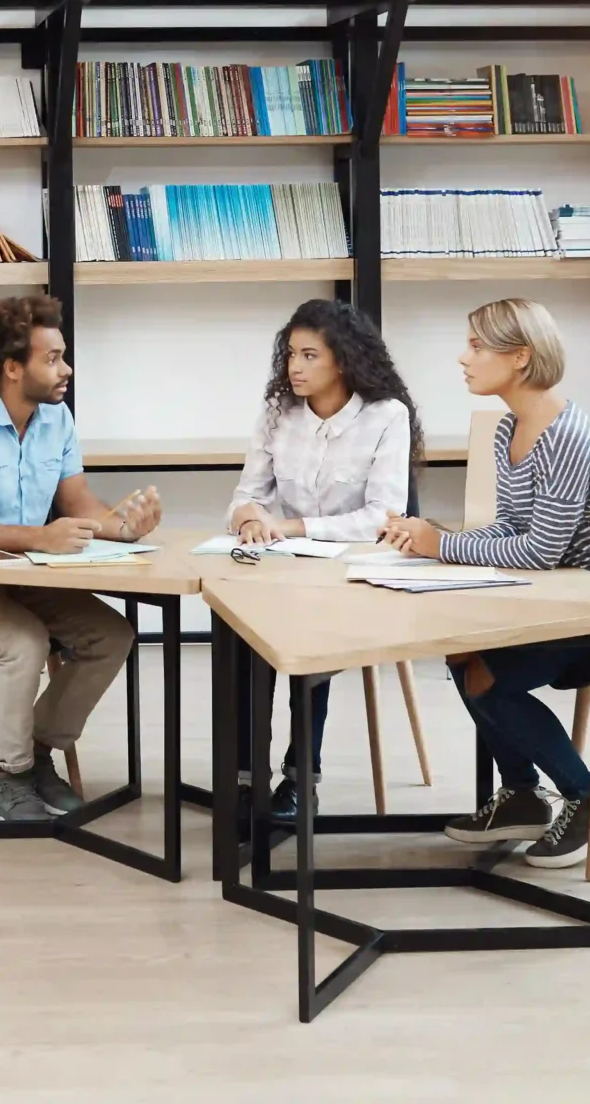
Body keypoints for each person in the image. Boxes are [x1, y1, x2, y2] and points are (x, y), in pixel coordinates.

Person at [380, 297, 590, 869]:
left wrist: (440, 544)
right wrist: (436, 540)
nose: (462, 358)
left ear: (520, 357)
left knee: (491, 677)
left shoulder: (564, 433)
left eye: (476, 345)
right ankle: (522, 794)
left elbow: (540, 552)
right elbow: (514, 529)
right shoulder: (508, 430)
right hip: (577, 592)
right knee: (464, 655)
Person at [0, 295, 164, 823]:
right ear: (12, 368)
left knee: (112, 636)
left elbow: (79, 505)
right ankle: (8, 773)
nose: (66, 369)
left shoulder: (57, 420)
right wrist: (38, 538)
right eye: (52, 358)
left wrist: (124, 528)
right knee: (24, 643)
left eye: (64, 356)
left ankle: (34, 755)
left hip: (25, 573)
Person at [226, 297, 422, 828]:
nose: (295, 367)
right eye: (291, 354)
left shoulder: (386, 416)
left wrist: (290, 527)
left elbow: (383, 516)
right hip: (283, 570)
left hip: (354, 575)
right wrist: (248, 518)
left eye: (310, 355)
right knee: (243, 638)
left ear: (343, 360)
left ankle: (300, 780)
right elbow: (247, 495)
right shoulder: (277, 413)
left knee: (305, 640)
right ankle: (245, 782)